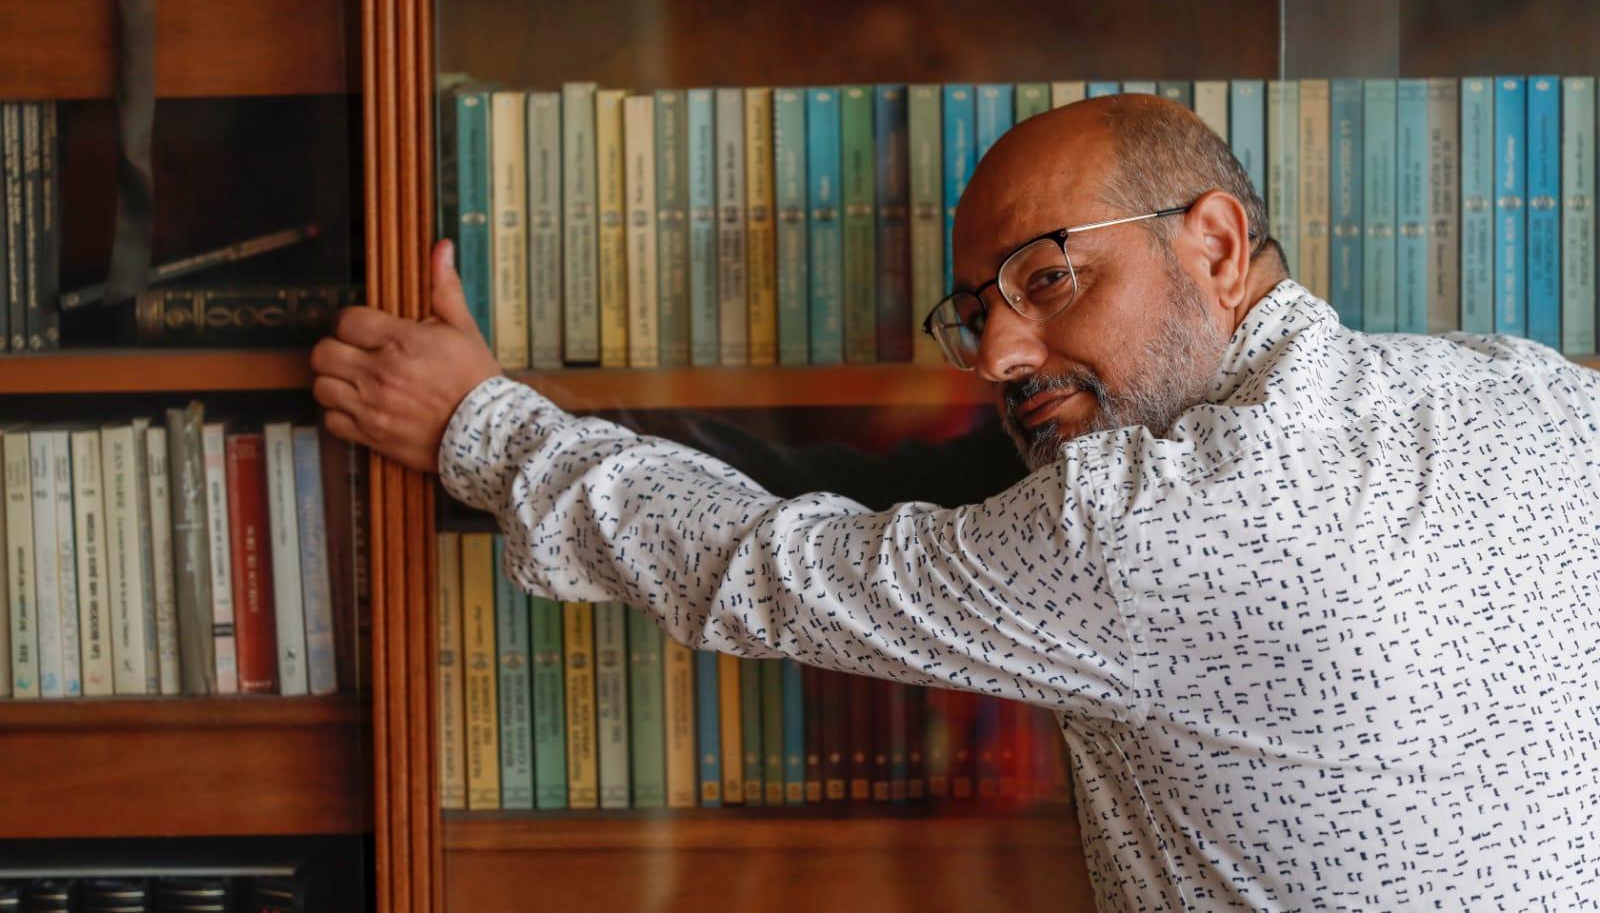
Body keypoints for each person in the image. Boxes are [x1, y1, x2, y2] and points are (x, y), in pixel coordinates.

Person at [309, 94, 1600, 911]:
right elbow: (895, 496)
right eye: (977, 311)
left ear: (1212, 242)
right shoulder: (1529, 388)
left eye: (1047, 278)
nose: (996, 357)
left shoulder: (1161, 520)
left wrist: (479, 422)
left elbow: (766, 573)